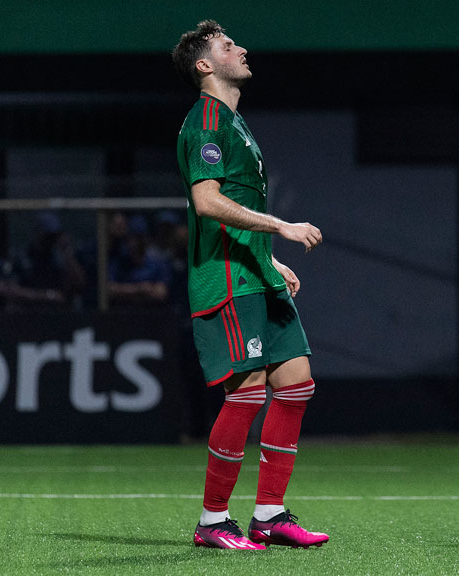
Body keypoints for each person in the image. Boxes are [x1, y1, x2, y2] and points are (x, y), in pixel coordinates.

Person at [172, 20, 328, 551]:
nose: (242, 48)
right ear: (205, 65)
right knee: (247, 395)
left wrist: (269, 257)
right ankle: (213, 521)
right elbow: (207, 201)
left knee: (298, 384)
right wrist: (281, 227)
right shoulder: (207, 119)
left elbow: (236, 207)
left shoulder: (236, 123)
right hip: (226, 279)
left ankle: (269, 515)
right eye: (227, 45)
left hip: (255, 271)